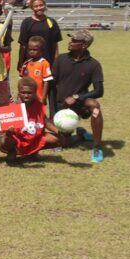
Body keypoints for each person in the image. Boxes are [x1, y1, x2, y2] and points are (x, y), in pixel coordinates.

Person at [51, 30, 105, 163]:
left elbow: (99, 91)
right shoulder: (60, 59)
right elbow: (51, 86)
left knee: (95, 106)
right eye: (71, 39)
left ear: (84, 45)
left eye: (75, 41)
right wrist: (53, 112)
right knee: (64, 142)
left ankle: (97, 147)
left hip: (80, 104)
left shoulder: (93, 64)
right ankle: (80, 135)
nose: (70, 42)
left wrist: (77, 97)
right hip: (61, 107)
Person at [17, 0, 61, 69]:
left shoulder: (52, 22)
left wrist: (56, 62)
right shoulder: (26, 23)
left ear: (44, 5)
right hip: (30, 62)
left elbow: (55, 45)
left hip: (48, 62)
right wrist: (20, 62)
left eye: (41, 5)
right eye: (36, 6)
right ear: (32, 7)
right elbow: (23, 45)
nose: (39, 8)